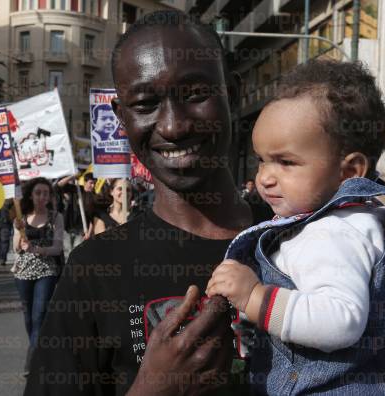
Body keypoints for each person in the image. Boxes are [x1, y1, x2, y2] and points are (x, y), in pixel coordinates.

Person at [25, 11, 252, 395]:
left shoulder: (308, 237)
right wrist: (152, 388)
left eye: (195, 94)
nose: (173, 126)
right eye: (146, 104)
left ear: (232, 93)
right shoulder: (93, 270)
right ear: (121, 117)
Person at [207, 60, 385, 393]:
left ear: (349, 172)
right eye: (262, 159)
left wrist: (254, 296)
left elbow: (339, 321)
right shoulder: (359, 221)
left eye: (286, 162)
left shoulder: (333, 233)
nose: (265, 177)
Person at [11, 178, 64, 374]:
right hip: (23, 271)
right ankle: (38, 347)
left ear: (50, 196)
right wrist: (18, 231)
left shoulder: (55, 217)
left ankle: (32, 361)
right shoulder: (21, 216)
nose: (42, 197)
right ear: (31, 196)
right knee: (29, 318)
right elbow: (16, 248)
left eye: (46, 193)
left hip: (46, 271)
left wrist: (37, 249)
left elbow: (57, 248)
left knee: (39, 315)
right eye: (38, 193)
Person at [56, 172, 96, 259]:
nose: (92, 186)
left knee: (76, 253)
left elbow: (93, 218)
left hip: (81, 231)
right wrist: (73, 176)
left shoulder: (93, 197)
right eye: (91, 183)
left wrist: (89, 233)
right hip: (67, 228)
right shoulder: (76, 189)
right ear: (85, 182)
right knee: (67, 253)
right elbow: (59, 185)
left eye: (94, 183)